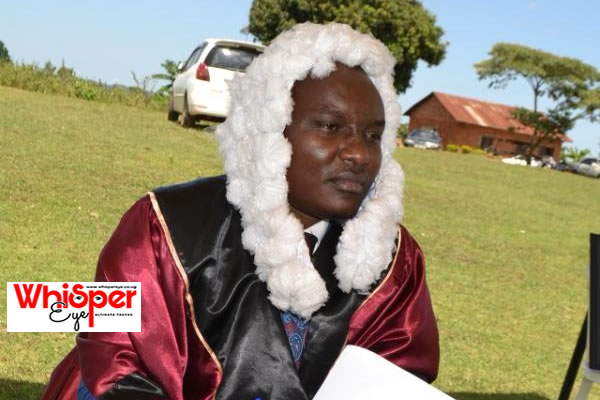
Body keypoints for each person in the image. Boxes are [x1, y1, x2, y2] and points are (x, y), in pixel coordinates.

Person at [42, 22, 439, 400]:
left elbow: (397, 376)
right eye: (330, 127)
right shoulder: (164, 224)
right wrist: (36, 306)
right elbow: (112, 355)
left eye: (372, 135)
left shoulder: (392, 261)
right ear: (270, 129)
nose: (359, 154)